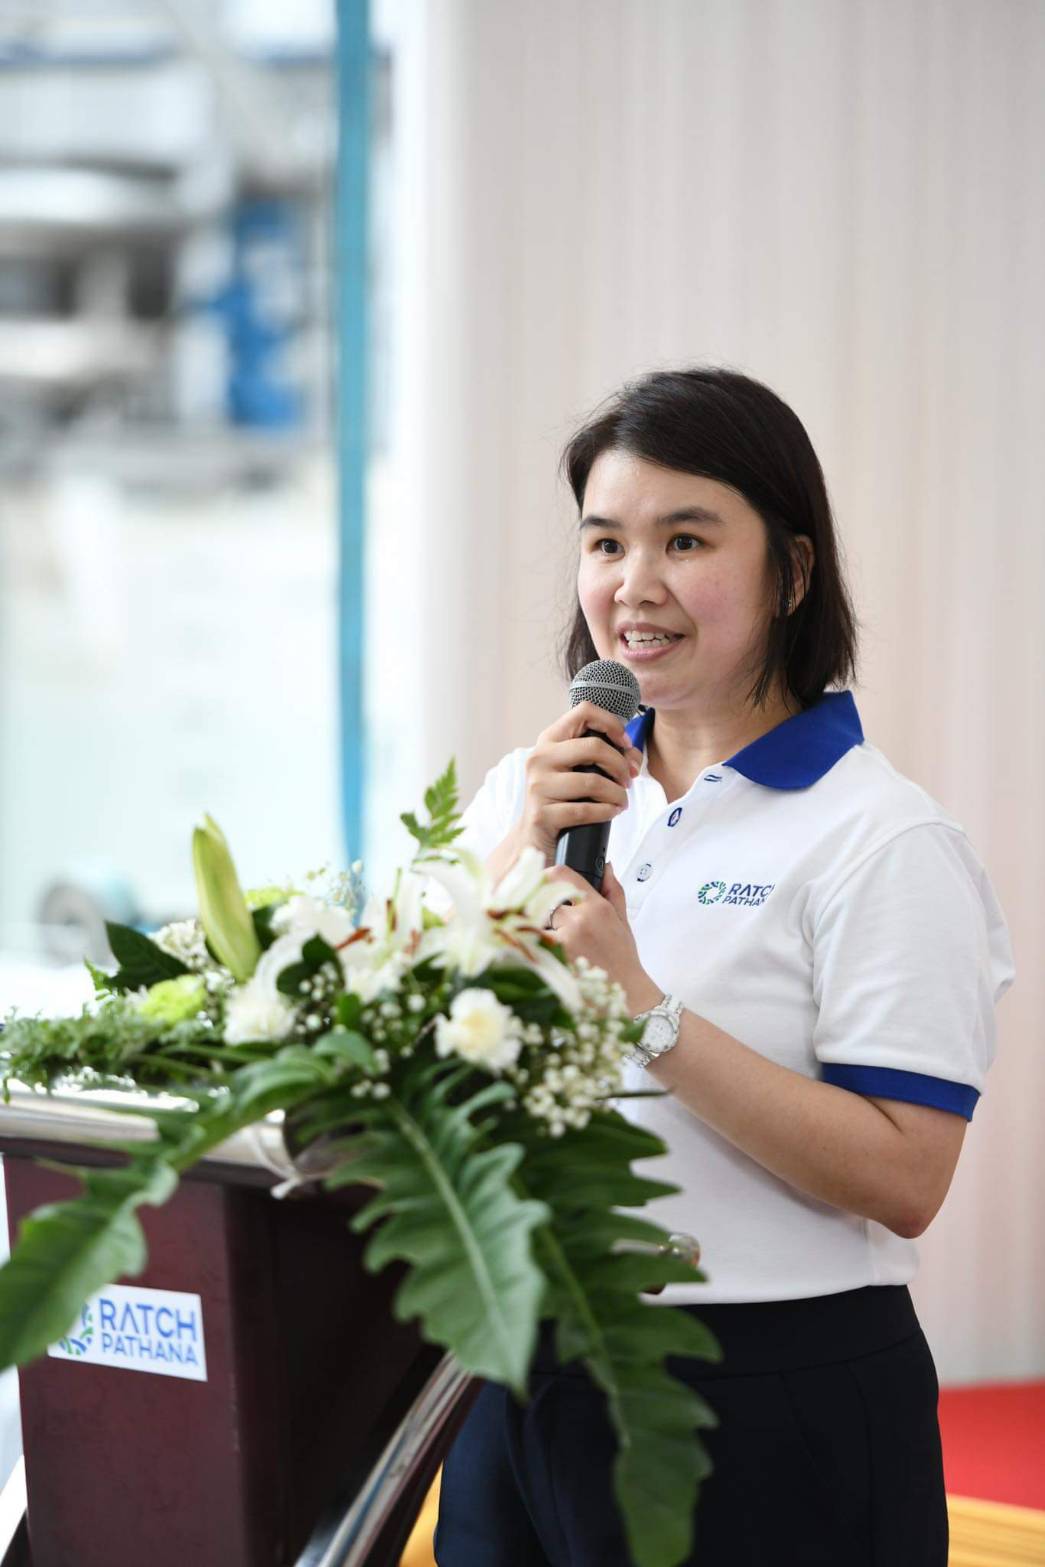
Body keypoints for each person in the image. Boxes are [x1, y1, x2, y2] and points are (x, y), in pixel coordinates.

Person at [432, 366, 1015, 1567]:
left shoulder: (881, 837)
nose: (632, 585)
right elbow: (412, 1049)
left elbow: (905, 1174)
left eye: (684, 539)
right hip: (519, 1368)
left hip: (764, 1391)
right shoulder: (527, 796)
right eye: (605, 542)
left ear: (791, 572)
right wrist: (515, 853)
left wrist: (643, 1008)